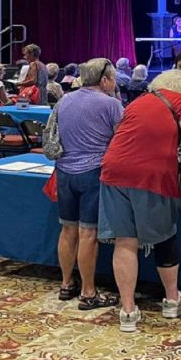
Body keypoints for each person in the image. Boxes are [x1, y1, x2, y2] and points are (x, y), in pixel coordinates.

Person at [98, 69, 181, 332]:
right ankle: (172, 300)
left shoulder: (138, 101)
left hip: (113, 171)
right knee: (165, 237)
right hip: (152, 175)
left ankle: (128, 311)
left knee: (125, 241)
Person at [56, 58, 123, 311]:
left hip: (64, 171)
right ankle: (88, 292)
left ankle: (66, 284)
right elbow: (122, 138)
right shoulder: (111, 104)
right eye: (113, 78)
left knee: (67, 230)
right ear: (104, 80)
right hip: (93, 172)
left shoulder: (64, 100)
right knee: (88, 234)